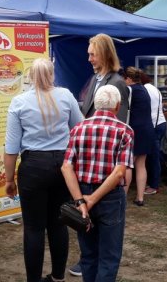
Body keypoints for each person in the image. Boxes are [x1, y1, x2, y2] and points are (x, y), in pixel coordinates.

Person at [4, 58, 83, 282]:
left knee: (33, 228)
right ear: (52, 74)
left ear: (30, 75)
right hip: (62, 166)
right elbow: (79, 128)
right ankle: (58, 276)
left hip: (33, 167)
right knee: (58, 223)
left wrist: (9, 179)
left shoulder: (18, 101)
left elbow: (11, 148)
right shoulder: (66, 95)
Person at [61, 85, 133, 282]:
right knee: (109, 256)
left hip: (81, 194)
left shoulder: (78, 128)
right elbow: (120, 172)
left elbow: (66, 167)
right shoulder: (124, 131)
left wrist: (80, 201)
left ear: (94, 104)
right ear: (117, 106)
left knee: (88, 253)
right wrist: (92, 199)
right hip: (110, 197)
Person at [123, 67, 155, 206]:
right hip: (148, 129)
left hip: (135, 130)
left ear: (128, 79)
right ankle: (140, 198)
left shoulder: (130, 90)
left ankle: (122, 197)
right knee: (141, 164)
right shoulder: (144, 89)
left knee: (128, 164)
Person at [80, 34, 129, 122]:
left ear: (105, 55)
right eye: (89, 54)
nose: (89, 59)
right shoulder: (95, 79)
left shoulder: (117, 83)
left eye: (93, 54)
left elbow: (120, 122)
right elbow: (87, 108)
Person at [141, 71, 166, 195]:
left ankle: (154, 185)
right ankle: (152, 182)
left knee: (153, 157)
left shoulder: (144, 89)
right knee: (154, 156)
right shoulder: (154, 88)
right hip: (160, 123)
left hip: (154, 125)